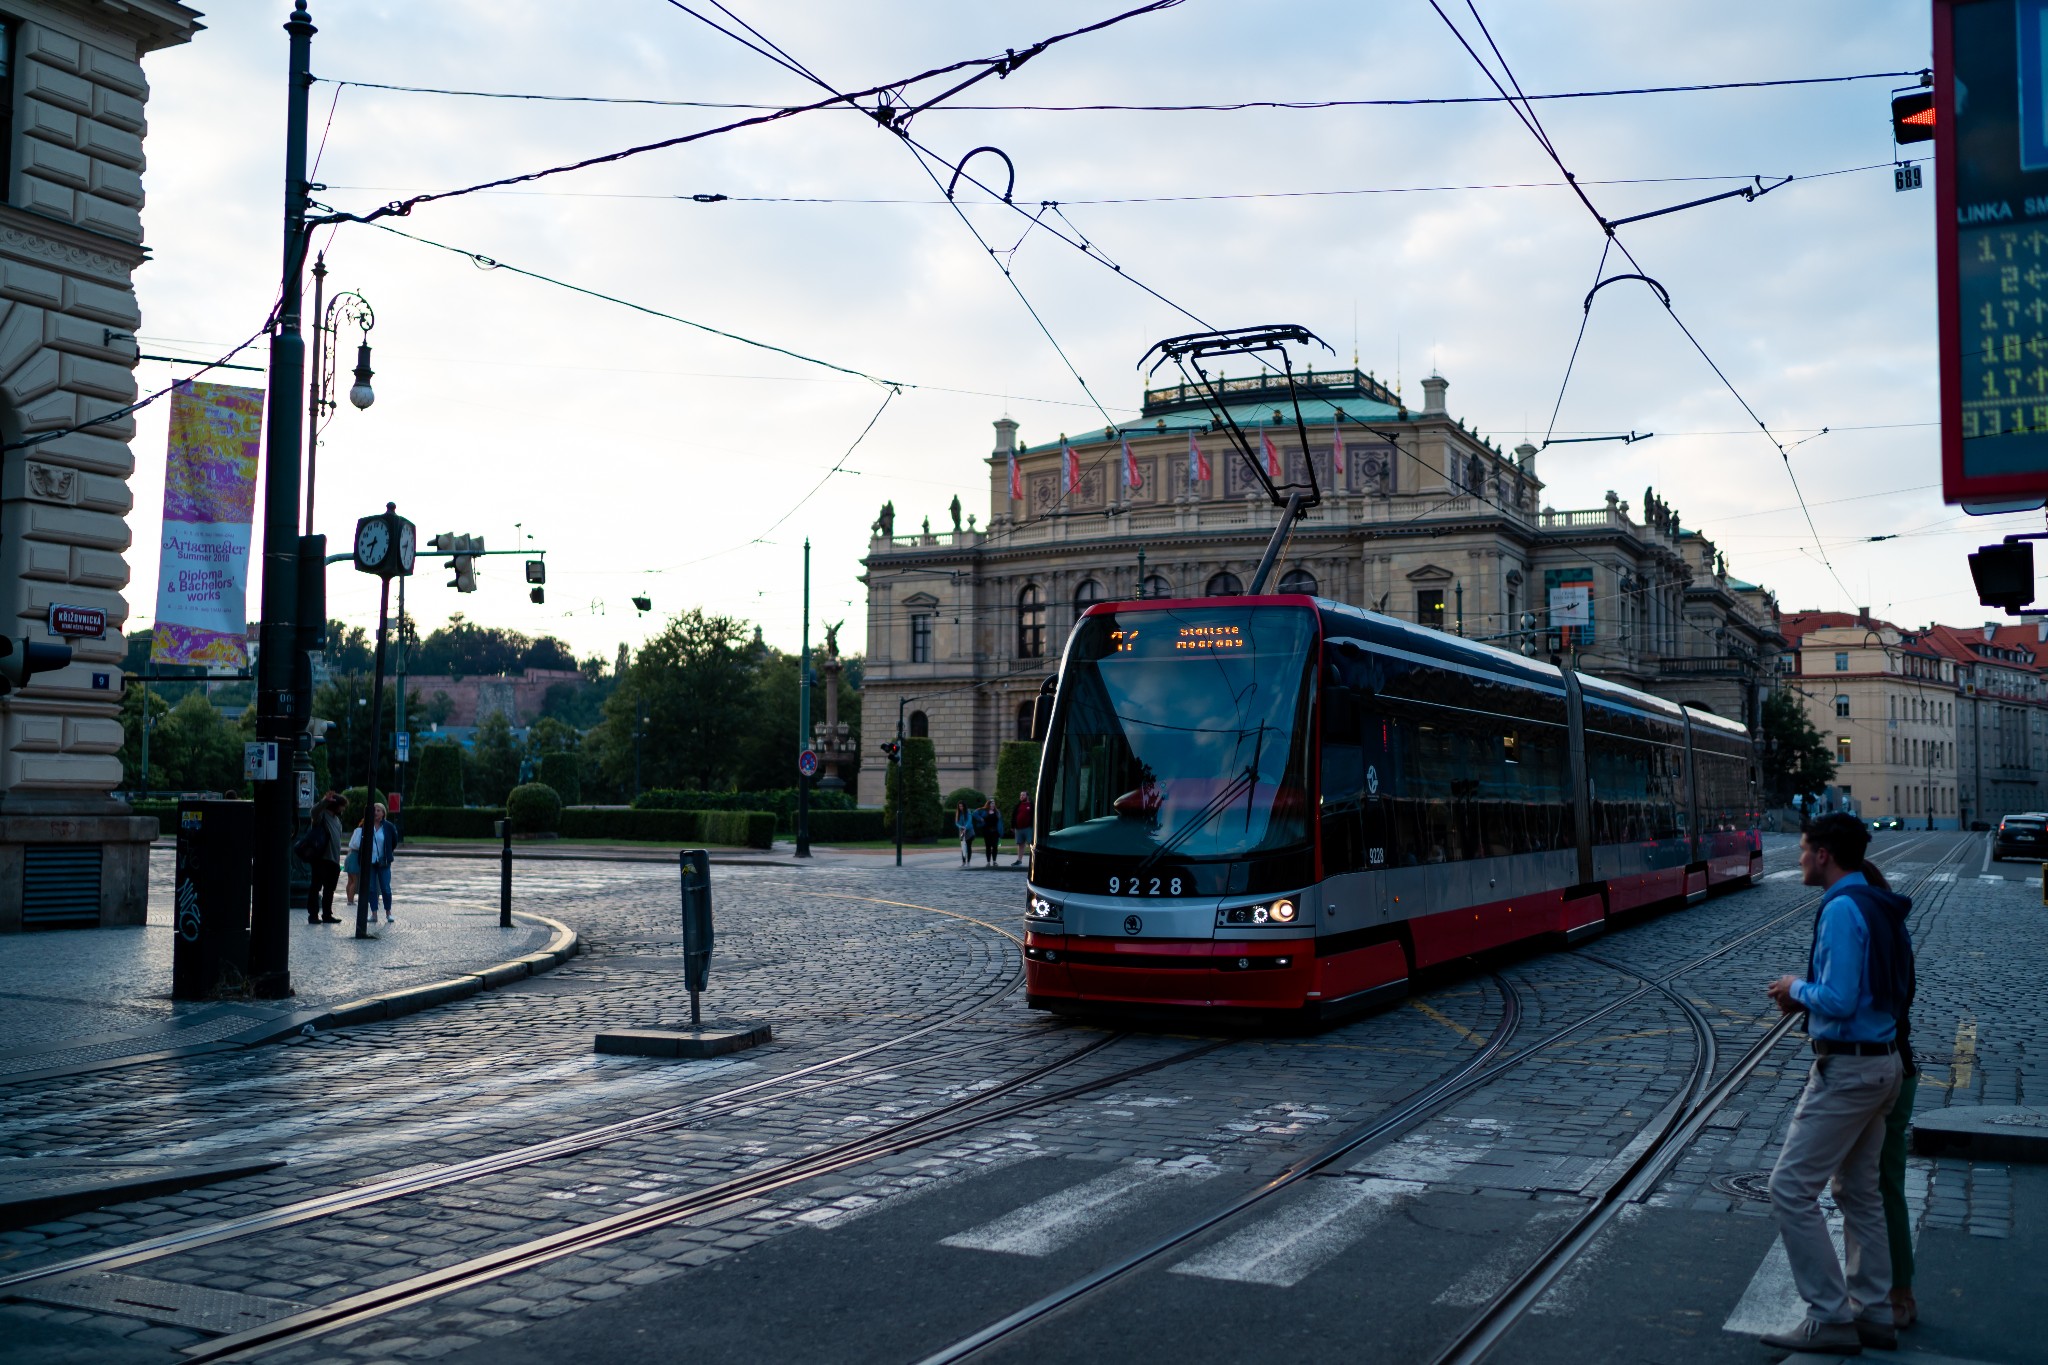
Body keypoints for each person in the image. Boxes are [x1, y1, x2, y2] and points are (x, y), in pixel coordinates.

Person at [1760, 813, 1913, 1355]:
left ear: (1824, 854)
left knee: (1789, 1189)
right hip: (1882, 1062)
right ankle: (1871, 1312)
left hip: (1848, 1069)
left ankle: (1828, 1315)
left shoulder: (1844, 907)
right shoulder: (1874, 901)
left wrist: (1795, 987)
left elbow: (1841, 998)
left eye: (1803, 848)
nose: (1799, 857)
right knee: (1859, 1191)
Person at [1860, 862, 1921, 1331]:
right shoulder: (1895, 934)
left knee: (1880, 1185)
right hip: (1902, 1062)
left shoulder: (1871, 939)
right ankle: (1888, 1291)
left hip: (1884, 1066)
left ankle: (1897, 1293)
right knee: (1878, 1185)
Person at [301, 792, 345, 924]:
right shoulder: (322, 816)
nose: (343, 809)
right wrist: (324, 801)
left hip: (334, 860)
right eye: (342, 806)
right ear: (335, 806)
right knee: (316, 887)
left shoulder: (337, 820)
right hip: (321, 858)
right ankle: (313, 915)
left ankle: (327, 914)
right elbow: (314, 811)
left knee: (329, 889)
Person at [350, 803, 397, 925]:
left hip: (384, 862)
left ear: (383, 813)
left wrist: (387, 853)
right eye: (374, 810)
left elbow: (394, 842)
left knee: (385, 888)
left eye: (378, 810)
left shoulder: (388, 827)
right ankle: (374, 914)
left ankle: (388, 913)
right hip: (370, 862)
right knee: (371, 888)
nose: (376, 812)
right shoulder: (367, 826)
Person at [1011, 789, 1034, 866]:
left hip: (1028, 828)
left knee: (1031, 844)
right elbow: (1014, 816)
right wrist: (1012, 826)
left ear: (1027, 796)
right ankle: (1019, 860)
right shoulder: (1018, 805)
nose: (1021, 796)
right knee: (1020, 844)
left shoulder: (1031, 805)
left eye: (1023, 795)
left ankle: (1033, 860)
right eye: (1020, 795)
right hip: (1018, 828)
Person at [980, 797, 1003, 867]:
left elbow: (1000, 822)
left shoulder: (997, 812)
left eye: (993, 804)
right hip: (987, 832)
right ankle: (988, 861)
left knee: (995, 846)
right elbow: (975, 814)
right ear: (988, 804)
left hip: (995, 832)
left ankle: (994, 861)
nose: (993, 805)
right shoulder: (984, 812)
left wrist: (1001, 831)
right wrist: (980, 818)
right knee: (988, 847)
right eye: (991, 804)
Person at [954, 800, 973, 866]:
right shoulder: (958, 813)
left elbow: (969, 820)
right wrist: (960, 826)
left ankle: (968, 862)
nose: (960, 807)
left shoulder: (968, 811)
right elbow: (956, 823)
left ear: (964, 806)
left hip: (969, 830)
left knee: (968, 846)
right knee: (963, 846)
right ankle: (963, 861)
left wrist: (966, 827)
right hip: (962, 830)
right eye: (959, 806)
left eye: (962, 806)